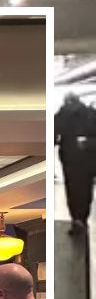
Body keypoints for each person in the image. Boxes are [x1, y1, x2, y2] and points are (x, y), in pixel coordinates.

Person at [58, 91, 96, 235]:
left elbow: (54, 134)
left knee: (75, 191)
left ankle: (78, 219)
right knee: (83, 192)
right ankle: (80, 218)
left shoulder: (63, 115)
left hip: (72, 162)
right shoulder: (90, 114)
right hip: (84, 161)